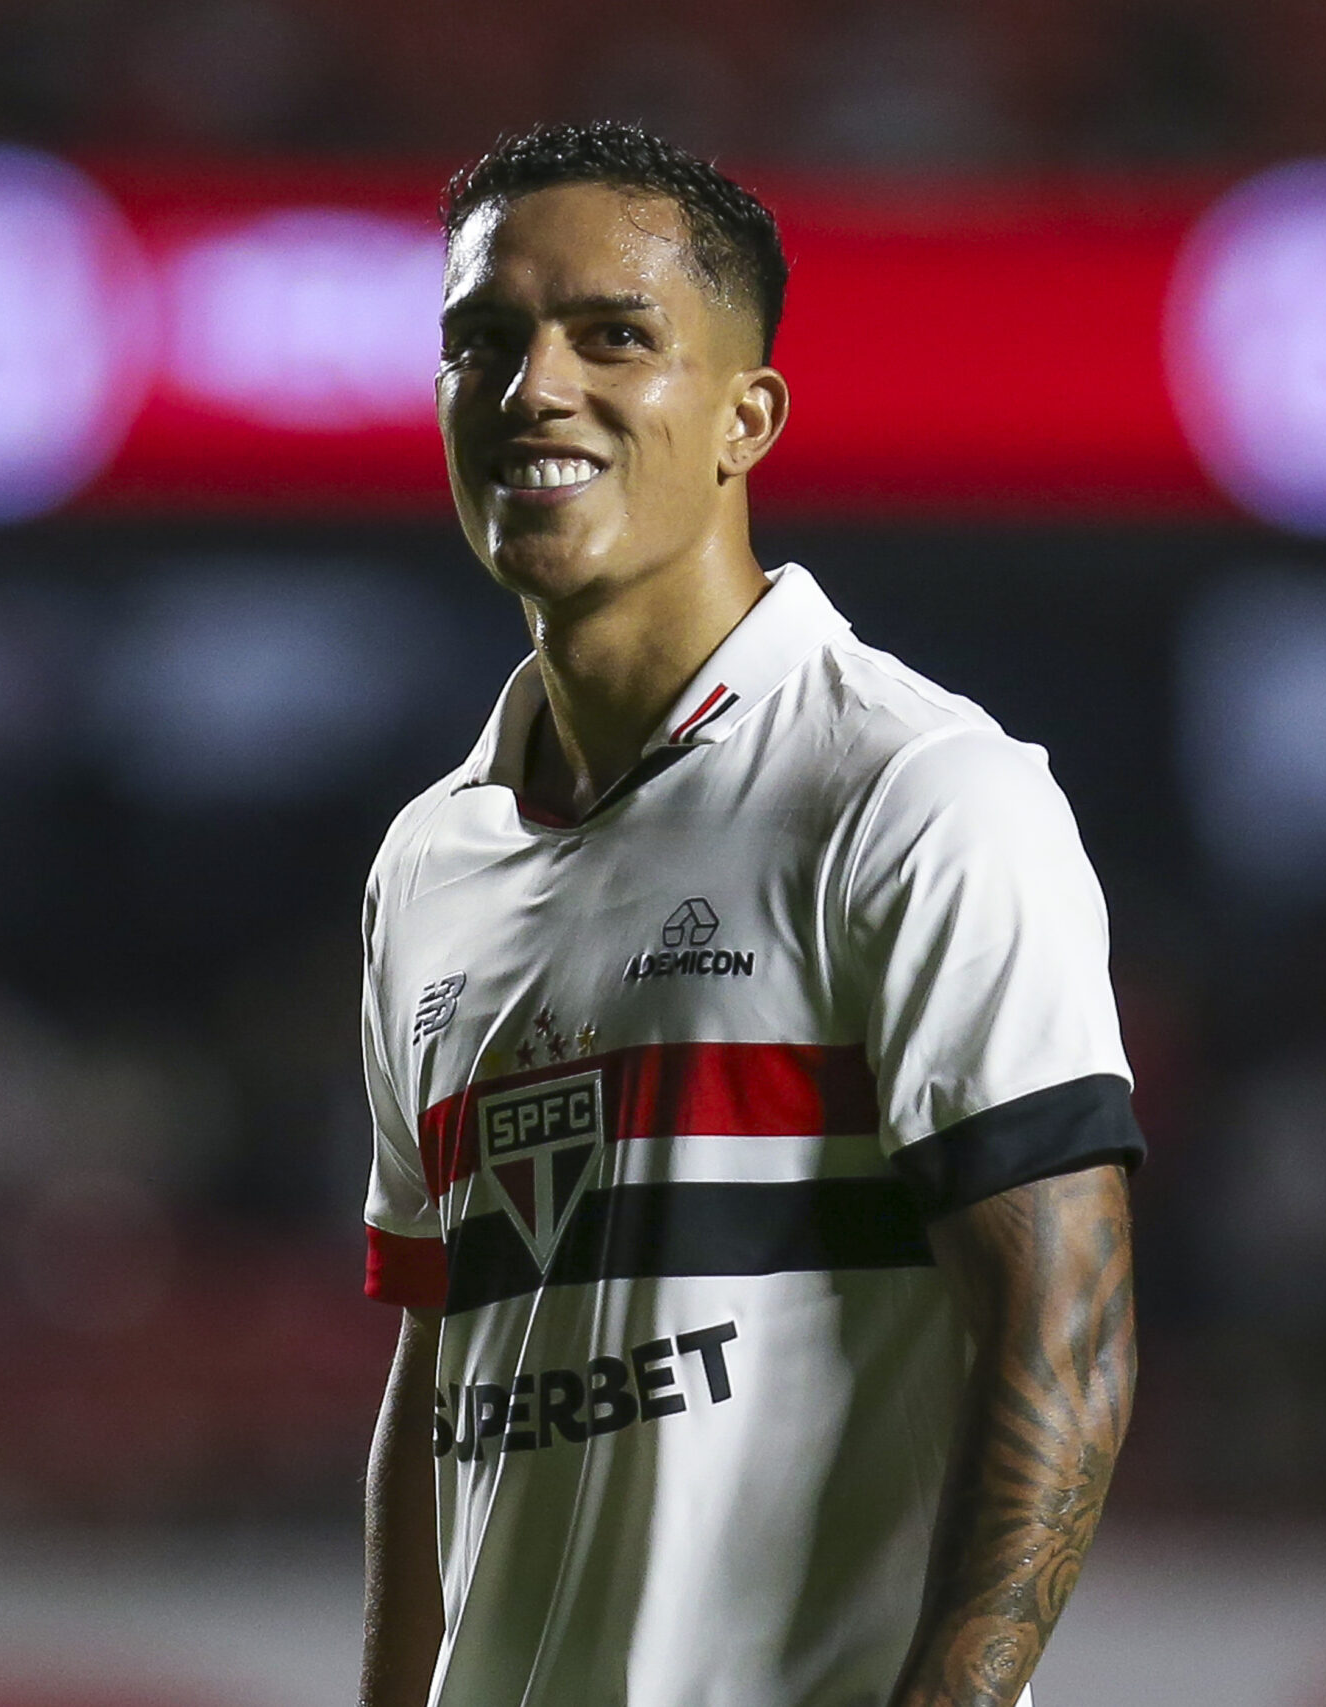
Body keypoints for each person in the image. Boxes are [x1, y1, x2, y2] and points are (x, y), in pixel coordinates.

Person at [356, 120, 1141, 1707]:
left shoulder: (917, 794)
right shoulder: (428, 865)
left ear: (746, 417)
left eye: (613, 336)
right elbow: (440, 1371)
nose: (533, 389)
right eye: (483, 341)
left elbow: (1066, 1332)